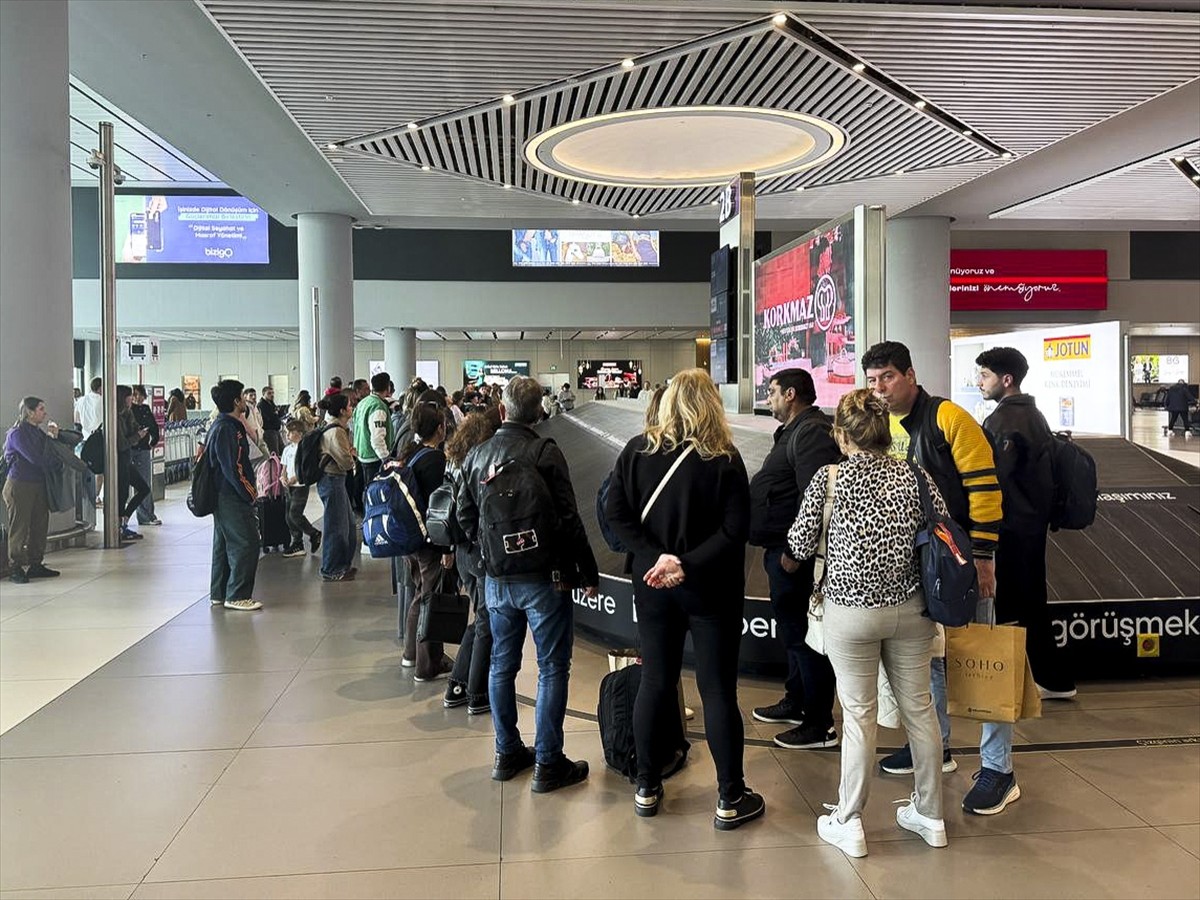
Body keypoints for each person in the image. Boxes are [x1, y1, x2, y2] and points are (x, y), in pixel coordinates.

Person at [788, 389, 949, 858]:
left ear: (841, 434)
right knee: (920, 710)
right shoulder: (916, 476)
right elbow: (942, 531)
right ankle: (931, 814)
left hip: (850, 613)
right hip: (912, 611)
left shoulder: (829, 478)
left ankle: (849, 820)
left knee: (858, 717)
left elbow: (799, 544)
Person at [606, 369, 764, 830]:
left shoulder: (637, 451)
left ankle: (646, 786)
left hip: (653, 588)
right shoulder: (725, 459)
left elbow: (615, 516)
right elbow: (736, 533)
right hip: (711, 590)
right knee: (717, 690)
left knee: (656, 680)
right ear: (712, 404)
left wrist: (656, 559)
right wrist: (687, 565)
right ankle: (730, 797)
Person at [862, 341, 1003, 778]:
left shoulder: (948, 418)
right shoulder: (880, 425)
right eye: (872, 380)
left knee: (983, 661)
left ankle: (999, 770)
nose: (880, 388)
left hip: (960, 563)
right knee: (931, 664)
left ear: (909, 374)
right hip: (918, 567)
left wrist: (982, 557)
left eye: (887, 377)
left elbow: (984, 489)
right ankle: (936, 747)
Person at [457, 376, 599, 793]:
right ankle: (549, 762)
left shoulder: (478, 454)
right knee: (552, 668)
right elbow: (569, 518)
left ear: (501, 410)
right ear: (540, 412)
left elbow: (463, 518)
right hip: (545, 579)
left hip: (498, 580)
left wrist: (487, 553)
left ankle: (506, 753)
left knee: (503, 664)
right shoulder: (544, 452)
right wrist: (585, 572)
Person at [964, 347, 1071, 816]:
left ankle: (1018, 690)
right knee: (1033, 603)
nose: (979, 382)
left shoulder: (1007, 424)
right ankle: (1053, 677)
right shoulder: (1034, 416)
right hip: (1032, 529)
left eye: (984, 375)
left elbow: (992, 481)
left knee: (1006, 616)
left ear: (1006, 380)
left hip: (1010, 533)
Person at [748, 368, 842, 750]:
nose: (767, 398)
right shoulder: (795, 430)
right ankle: (796, 701)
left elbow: (818, 499)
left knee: (806, 639)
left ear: (790, 394)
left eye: (771, 392)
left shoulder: (812, 433)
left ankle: (819, 724)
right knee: (793, 635)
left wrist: (794, 552)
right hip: (782, 551)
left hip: (795, 559)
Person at [442, 407, 502, 713]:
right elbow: (471, 512)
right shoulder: (477, 464)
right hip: (475, 549)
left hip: (460, 550)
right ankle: (476, 691)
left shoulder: (451, 462)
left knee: (480, 618)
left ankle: (459, 684)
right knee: (486, 622)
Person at [400, 402, 455, 681]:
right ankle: (426, 665)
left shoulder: (411, 453)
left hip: (411, 537)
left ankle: (411, 653)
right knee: (428, 599)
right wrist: (447, 548)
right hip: (428, 542)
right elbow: (439, 509)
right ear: (440, 428)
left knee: (419, 595)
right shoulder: (434, 459)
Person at [206, 380, 262, 611]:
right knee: (246, 542)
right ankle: (238, 594)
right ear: (235, 401)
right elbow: (234, 467)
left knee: (223, 543)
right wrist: (250, 492)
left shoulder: (220, 426)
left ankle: (219, 592)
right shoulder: (228, 429)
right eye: (241, 396)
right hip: (231, 495)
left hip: (221, 493)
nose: (245, 401)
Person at [4, 397, 63, 583]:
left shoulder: (37, 432)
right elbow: (36, 458)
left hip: (38, 483)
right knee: (19, 526)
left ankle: (35, 563)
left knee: (39, 524)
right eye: (41, 409)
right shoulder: (17, 433)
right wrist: (53, 458)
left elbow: (49, 454)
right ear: (30, 412)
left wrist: (53, 439)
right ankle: (15, 566)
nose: (44, 412)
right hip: (20, 484)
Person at [314, 392, 358, 581]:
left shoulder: (337, 428)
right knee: (336, 527)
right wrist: (351, 454)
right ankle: (331, 569)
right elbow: (347, 462)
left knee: (346, 525)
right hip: (332, 480)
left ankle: (342, 565)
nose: (352, 408)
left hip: (335, 480)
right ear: (341, 410)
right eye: (349, 406)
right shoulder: (336, 432)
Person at [279, 419, 321, 558]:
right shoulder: (287, 449)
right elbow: (283, 467)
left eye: (289, 432)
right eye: (286, 432)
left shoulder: (304, 448)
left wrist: (294, 479)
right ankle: (297, 543)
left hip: (300, 486)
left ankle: (313, 533)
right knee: (288, 516)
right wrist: (283, 477)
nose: (287, 435)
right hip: (289, 487)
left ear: (299, 433)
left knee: (295, 514)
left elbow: (303, 468)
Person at [115, 385, 151, 542]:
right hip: (119, 461)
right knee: (121, 495)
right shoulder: (115, 418)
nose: (132, 399)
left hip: (126, 460)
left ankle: (124, 520)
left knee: (143, 489)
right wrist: (137, 436)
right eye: (129, 396)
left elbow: (134, 430)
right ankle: (119, 526)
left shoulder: (127, 414)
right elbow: (122, 444)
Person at [352, 372, 395, 488]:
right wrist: (385, 458)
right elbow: (377, 437)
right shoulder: (378, 406)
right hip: (374, 458)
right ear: (388, 387)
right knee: (374, 493)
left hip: (361, 454)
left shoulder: (363, 403)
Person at [130, 385, 162, 527]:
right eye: (135, 395)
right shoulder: (126, 411)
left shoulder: (146, 409)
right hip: (129, 448)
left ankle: (147, 515)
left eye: (140, 395)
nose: (138, 398)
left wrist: (154, 440)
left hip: (143, 448)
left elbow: (154, 426)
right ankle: (122, 517)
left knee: (144, 482)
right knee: (129, 483)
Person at [258, 386, 284, 456]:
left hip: (275, 429)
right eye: (269, 393)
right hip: (269, 431)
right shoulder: (262, 405)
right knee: (274, 451)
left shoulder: (271, 403)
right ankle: (275, 466)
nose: (272, 395)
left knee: (282, 449)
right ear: (263, 394)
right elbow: (270, 417)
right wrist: (275, 414)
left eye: (272, 393)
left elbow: (276, 414)